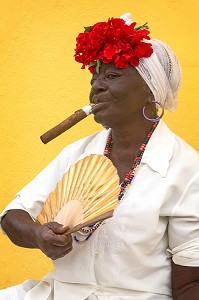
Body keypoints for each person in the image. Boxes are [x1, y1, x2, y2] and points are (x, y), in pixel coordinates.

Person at [0, 12, 199, 300]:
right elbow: (12, 217)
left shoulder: (186, 169)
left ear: (149, 89)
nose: (96, 86)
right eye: (95, 77)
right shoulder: (78, 153)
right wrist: (38, 236)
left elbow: (188, 286)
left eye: (112, 76)